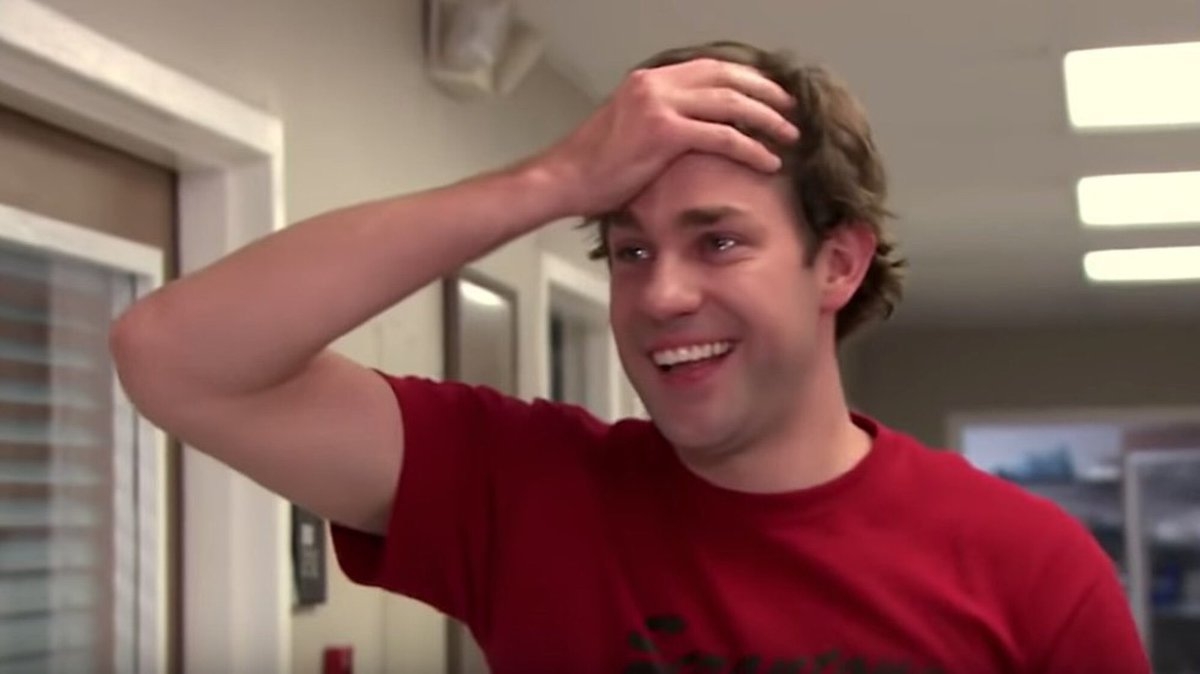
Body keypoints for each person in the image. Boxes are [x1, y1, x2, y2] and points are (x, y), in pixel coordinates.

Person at [110, 40, 1149, 673]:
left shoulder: (1027, 564)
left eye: (720, 241)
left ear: (836, 262)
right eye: (629, 250)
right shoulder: (529, 491)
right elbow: (175, 356)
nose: (661, 295)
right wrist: (553, 179)